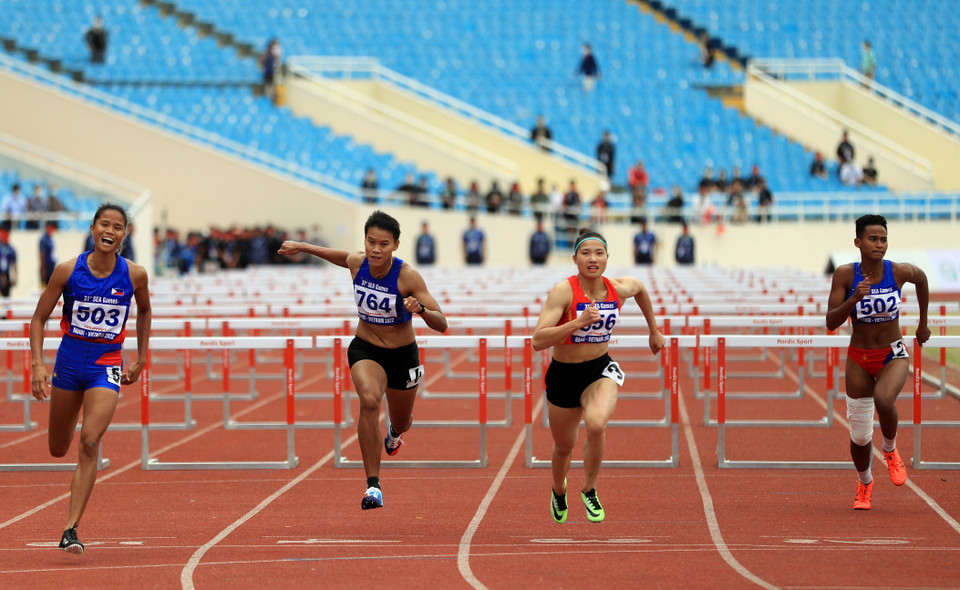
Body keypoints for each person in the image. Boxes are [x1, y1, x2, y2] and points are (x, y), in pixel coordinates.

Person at [277, 211, 447, 510]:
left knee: (402, 421)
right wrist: (302, 246)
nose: (376, 250)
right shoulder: (358, 263)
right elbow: (338, 256)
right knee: (369, 401)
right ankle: (373, 486)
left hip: (402, 356)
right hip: (365, 348)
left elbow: (442, 323)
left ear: (395, 245)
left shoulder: (407, 275)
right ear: (365, 241)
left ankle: (394, 433)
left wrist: (419, 308)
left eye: (383, 244)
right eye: (371, 242)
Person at [30, 203, 151, 554]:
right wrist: (37, 365)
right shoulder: (67, 271)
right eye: (104, 224)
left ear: (124, 235)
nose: (110, 231)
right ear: (94, 228)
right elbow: (38, 319)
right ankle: (64, 425)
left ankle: (71, 529)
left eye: (117, 226)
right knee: (58, 448)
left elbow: (144, 310)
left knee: (90, 442)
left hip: (106, 363)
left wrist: (141, 357)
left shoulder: (134, 275)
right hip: (68, 363)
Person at [532, 228, 665, 523]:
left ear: (607, 258)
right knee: (564, 446)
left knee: (596, 423)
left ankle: (589, 489)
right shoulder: (563, 291)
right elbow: (538, 340)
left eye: (599, 253)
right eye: (586, 253)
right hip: (563, 375)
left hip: (599, 370)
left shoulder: (618, 287)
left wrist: (653, 330)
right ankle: (558, 490)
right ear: (576, 259)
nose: (593, 259)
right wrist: (576, 323)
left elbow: (641, 288)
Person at [825, 214, 929, 510]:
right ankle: (865, 482)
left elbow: (921, 280)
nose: (879, 244)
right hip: (859, 359)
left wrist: (922, 324)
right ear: (858, 242)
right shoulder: (845, 275)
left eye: (883, 239)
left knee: (884, 400)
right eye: (873, 239)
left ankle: (891, 450)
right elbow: (831, 322)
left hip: (892, 353)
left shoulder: (898, 271)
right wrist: (853, 300)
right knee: (859, 437)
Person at [260, 37, 283, 102]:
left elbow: (277, 59)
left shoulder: (273, 55)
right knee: (267, 85)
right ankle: (267, 97)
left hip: (272, 72)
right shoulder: (266, 54)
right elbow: (262, 61)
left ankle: (272, 97)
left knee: (272, 85)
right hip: (267, 72)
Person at [39, 220, 57, 288]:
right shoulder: (44, 239)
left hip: (51, 266)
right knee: (45, 286)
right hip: (46, 267)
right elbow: (41, 253)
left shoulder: (51, 239)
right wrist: (43, 268)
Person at [0, 227, 16, 298]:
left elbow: (14, 264)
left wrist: (15, 277)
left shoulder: (11, 249)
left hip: (7, 274)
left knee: (6, 297)